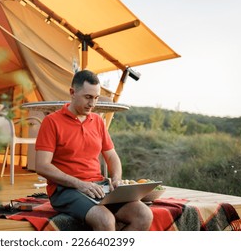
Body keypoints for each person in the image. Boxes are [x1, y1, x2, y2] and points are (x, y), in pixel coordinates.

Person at [35, 70, 153, 231]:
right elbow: (42, 166)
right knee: (105, 220)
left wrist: (117, 179)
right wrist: (80, 184)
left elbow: (112, 156)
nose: (92, 104)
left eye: (96, 98)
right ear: (72, 92)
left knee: (144, 215)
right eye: (88, 97)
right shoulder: (51, 122)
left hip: (99, 186)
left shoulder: (97, 121)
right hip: (65, 190)